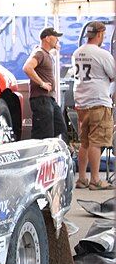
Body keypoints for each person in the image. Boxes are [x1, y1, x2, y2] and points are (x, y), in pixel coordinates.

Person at [72, 21, 115, 190]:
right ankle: (95, 180)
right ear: (99, 34)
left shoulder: (77, 52)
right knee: (97, 142)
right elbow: (113, 75)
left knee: (85, 142)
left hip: (82, 102)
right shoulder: (102, 54)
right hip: (98, 101)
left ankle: (82, 178)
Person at [23, 27, 65, 140]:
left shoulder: (47, 54)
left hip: (48, 98)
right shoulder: (39, 53)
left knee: (59, 125)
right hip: (41, 99)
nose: (57, 39)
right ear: (47, 38)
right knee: (43, 132)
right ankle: (39, 152)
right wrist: (42, 83)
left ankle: (48, 149)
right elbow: (27, 68)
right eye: (55, 36)